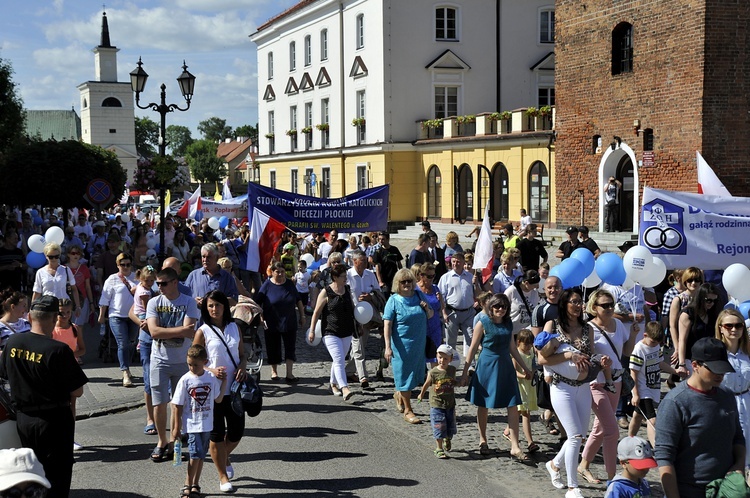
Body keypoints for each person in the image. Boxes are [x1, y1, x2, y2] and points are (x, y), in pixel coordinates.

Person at [0, 295, 87, 498]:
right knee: (57, 476)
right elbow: (78, 391)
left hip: (24, 419)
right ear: (53, 318)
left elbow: (4, 375)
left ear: (30, 317)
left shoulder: (13, 342)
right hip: (54, 420)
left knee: (30, 470)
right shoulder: (58, 350)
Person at [655, 337, 745, 497]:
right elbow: (664, 457)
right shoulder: (675, 402)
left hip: (725, 489)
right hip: (689, 490)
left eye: (723, 369)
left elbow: (738, 438)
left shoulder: (727, 396)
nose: (720, 375)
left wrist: (738, 465)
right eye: (715, 369)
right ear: (695, 365)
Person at [541, 289, 609, 498]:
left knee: (578, 437)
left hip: (583, 387)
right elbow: (543, 359)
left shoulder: (588, 328)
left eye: (581, 301)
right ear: (564, 304)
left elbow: (588, 355)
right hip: (562, 387)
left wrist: (600, 360)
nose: (579, 305)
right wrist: (569, 355)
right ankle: (573, 487)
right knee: (574, 436)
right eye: (574, 302)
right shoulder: (553, 326)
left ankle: (554, 464)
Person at [578, 289, 641, 483]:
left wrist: (633, 334)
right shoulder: (588, 328)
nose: (609, 308)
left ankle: (583, 465)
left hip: (615, 382)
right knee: (612, 430)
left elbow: (627, 351)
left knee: (601, 428)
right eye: (604, 305)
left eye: (611, 304)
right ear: (594, 308)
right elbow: (586, 355)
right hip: (596, 383)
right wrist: (599, 361)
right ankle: (613, 476)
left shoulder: (619, 324)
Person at [461, 293, 533, 461]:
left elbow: (512, 348)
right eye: (497, 306)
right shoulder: (483, 322)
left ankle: (515, 446)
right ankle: (483, 440)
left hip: (505, 365)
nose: (500, 309)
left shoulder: (508, 323)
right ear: (490, 307)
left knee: (513, 404)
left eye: (504, 306)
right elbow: (472, 348)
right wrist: (465, 372)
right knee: (483, 403)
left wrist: (525, 367)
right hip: (487, 365)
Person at [192, 291, 247, 493]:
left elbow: (242, 355)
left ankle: (224, 455)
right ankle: (222, 476)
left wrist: (242, 366)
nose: (214, 309)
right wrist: (211, 370)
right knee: (216, 435)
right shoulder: (203, 331)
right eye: (210, 306)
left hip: (234, 389)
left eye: (218, 305)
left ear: (225, 307)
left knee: (236, 432)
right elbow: (193, 361)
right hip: (212, 391)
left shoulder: (235, 328)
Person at [146, 267, 200, 463]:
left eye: (163, 283)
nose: (159, 287)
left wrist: (165, 330)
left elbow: (190, 331)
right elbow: (154, 332)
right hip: (159, 360)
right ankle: (161, 442)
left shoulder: (188, 302)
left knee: (178, 405)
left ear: (175, 282)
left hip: (181, 360)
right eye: (157, 283)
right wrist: (180, 330)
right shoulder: (154, 302)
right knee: (159, 403)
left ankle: (173, 441)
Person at [171, 344, 227, 497]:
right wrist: (177, 427)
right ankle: (186, 485)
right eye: (189, 364)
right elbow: (177, 405)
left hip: (207, 424)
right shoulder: (185, 380)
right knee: (195, 454)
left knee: (201, 455)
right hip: (192, 425)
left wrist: (224, 383)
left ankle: (195, 483)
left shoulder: (210, 378)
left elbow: (218, 399)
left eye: (195, 365)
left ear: (205, 362)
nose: (191, 368)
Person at [384, 268, 432, 424]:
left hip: (418, 344)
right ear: (397, 284)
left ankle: (400, 395)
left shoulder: (418, 295)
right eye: (403, 281)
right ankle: (408, 410)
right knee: (403, 374)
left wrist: (426, 307)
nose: (406, 284)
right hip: (401, 345)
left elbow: (431, 315)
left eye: (409, 281)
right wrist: (387, 346)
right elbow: (387, 324)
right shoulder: (393, 300)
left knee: (414, 375)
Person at [628, 321, 681, 447]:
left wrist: (675, 371)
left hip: (653, 387)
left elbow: (660, 363)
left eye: (657, 343)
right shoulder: (639, 349)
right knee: (652, 420)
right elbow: (633, 373)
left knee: (638, 415)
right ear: (645, 335)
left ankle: (629, 440)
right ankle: (657, 448)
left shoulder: (656, 346)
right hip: (643, 389)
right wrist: (635, 393)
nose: (655, 345)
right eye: (652, 342)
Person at [309, 264, 355, 401]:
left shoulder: (347, 289)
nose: (345, 278)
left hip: (346, 331)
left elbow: (352, 308)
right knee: (339, 359)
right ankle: (344, 387)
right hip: (330, 331)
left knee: (338, 359)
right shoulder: (326, 292)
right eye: (343, 276)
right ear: (335, 277)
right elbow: (316, 312)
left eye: (346, 276)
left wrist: (357, 325)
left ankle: (332, 383)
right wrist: (312, 330)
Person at [715, 309, 750, 485]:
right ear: (721, 328)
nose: (734, 330)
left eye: (738, 326)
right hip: (725, 404)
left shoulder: (747, 353)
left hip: (746, 402)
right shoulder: (717, 354)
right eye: (729, 326)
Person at [255, 262, 306, 382]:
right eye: (277, 271)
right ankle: (274, 371)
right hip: (272, 322)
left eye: (282, 271)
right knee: (273, 347)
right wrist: (261, 319)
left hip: (289, 321)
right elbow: (258, 303)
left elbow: (298, 300)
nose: (281, 274)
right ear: (272, 272)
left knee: (290, 347)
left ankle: (289, 374)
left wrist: (302, 316)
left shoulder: (289, 284)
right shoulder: (267, 285)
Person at [98, 252, 138, 387]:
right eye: (122, 265)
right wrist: (101, 315)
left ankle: (128, 366)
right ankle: (125, 371)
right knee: (123, 343)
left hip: (134, 316)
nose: (125, 267)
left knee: (132, 342)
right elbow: (105, 298)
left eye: (128, 264)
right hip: (116, 316)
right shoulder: (112, 279)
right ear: (117, 265)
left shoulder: (137, 277)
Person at [52, 298, 86, 451]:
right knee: (56, 405)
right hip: (54, 371)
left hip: (71, 369)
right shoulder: (51, 329)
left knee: (72, 404)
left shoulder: (75, 328)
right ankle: (56, 438)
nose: (65, 315)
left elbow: (83, 349)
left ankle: (70, 438)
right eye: (61, 312)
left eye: (68, 312)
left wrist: (72, 355)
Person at [347, 250, 382, 388]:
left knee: (360, 345)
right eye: (362, 261)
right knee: (358, 346)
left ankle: (348, 371)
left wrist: (370, 297)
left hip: (368, 316)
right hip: (353, 316)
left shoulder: (370, 275)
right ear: (355, 261)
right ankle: (363, 377)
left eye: (366, 260)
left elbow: (378, 292)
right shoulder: (348, 275)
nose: (366, 263)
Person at [417, 344, 458, 459]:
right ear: (436, 357)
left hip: (450, 403)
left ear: (450, 359)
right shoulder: (433, 372)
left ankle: (447, 438)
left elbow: (452, 382)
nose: (442, 361)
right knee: (439, 425)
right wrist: (421, 394)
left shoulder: (452, 370)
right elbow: (427, 384)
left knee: (450, 426)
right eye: (440, 357)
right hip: (436, 403)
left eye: (445, 358)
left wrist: (459, 383)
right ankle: (439, 448)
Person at [438, 252, 479, 359]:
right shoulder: (446, 277)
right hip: (452, 313)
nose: (456, 264)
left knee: (471, 339)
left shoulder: (470, 277)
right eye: (454, 261)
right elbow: (441, 297)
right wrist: (444, 313)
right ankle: (451, 365)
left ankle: (471, 365)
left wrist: (476, 284)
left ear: (463, 263)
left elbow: (478, 295)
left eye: (458, 261)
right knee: (451, 342)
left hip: (468, 313)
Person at [677, 282, 720, 377]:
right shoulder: (688, 314)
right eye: (708, 300)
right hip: (691, 359)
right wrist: (682, 363)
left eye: (714, 301)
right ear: (700, 298)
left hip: (708, 359)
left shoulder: (712, 315)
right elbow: (682, 340)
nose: (711, 303)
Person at [511, 329, 539, 454]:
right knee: (524, 413)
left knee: (522, 412)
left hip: (529, 387)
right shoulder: (516, 355)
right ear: (518, 343)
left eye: (530, 344)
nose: (528, 347)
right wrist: (523, 376)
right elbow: (513, 372)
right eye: (526, 344)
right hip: (520, 386)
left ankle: (508, 431)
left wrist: (532, 373)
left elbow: (533, 366)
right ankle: (530, 442)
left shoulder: (531, 352)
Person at [186, 243, 239, 309]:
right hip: (197, 317)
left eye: (209, 257)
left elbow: (234, 300)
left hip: (218, 318)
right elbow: (184, 296)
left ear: (217, 257)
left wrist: (215, 301)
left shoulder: (227, 277)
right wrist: (194, 300)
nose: (205, 260)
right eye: (203, 256)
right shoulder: (193, 275)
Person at [32, 243, 80, 314]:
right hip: (47, 307)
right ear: (46, 256)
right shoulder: (40, 272)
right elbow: (37, 292)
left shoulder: (66, 269)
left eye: (56, 256)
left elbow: (74, 289)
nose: (54, 259)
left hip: (64, 307)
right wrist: (32, 309)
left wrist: (78, 306)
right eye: (51, 257)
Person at [414, 262, 444, 365]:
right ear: (421, 276)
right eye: (429, 276)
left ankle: (435, 379)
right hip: (421, 327)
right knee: (420, 357)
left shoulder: (435, 288)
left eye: (433, 276)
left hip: (435, 327)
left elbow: (441, 308)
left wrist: (441, 300)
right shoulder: (415, 290)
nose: (432, 278)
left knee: (435, 357)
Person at [65, 245, 94, 329]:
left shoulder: (84, 268)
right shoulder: (63, 268)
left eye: (78, 253)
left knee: (78, 326)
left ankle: (77, 342)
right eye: (73, 253)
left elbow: (88, 287)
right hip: (66, 299)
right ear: (68, 255)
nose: (75, 255)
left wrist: (91, 302)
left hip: (82, 299)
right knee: (65, 324)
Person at [505, 270, 540, 334]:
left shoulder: (535, 292)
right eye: (534, 285)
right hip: (513, 331)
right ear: (526, 283)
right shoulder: (511, 291)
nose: (537, 287)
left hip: (528, 332)